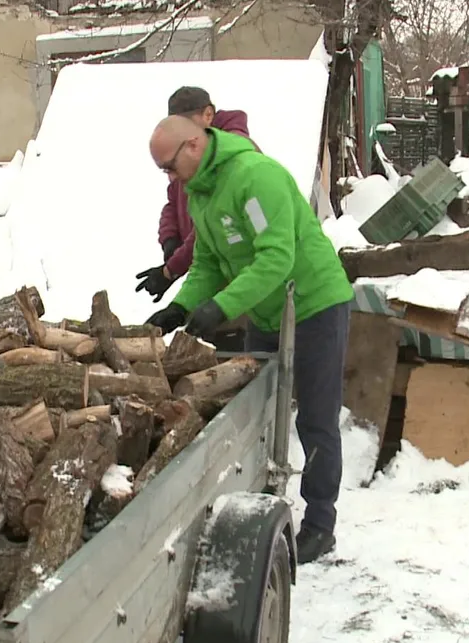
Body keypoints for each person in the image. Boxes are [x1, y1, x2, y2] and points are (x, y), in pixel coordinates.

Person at [144, 115, 353, 564]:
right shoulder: (200, 193)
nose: (168, 177)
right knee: (259, 413)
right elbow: (208, 264)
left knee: (315, 418)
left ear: (193, 145)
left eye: (168, 166)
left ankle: (320, 522)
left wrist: (222, 306)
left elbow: (277, 258)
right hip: (266, 310)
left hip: (314, 305)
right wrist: (182, 305)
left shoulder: (256, 178)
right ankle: (262, 499)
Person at [135, 86, 250, 303]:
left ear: (208, 114)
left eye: (187, 124)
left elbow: (210, 228)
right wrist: (169, 239)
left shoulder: (228, 160)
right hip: (207, 269)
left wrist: (171, 269)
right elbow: (173, 200)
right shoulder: (186, 154)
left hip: (236, 276)